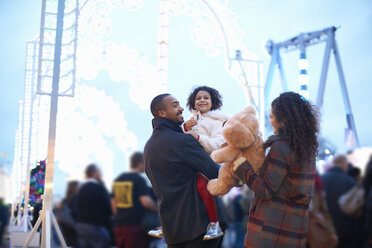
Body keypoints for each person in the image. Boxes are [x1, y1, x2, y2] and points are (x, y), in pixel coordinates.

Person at [233, 91, 319, 247]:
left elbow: (266, 190)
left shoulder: (281, 147)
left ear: (283, 120)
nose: (271, 121)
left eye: (272, 117)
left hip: (270, 233)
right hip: (293, 232)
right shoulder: (306, 149)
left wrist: (242, 167)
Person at [144, 93, 226, 248]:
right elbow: (213, 171)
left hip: (172, 229)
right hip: (200, 226)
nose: (181, 108)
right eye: (175, 105)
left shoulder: (148, 147)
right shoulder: (181, 140)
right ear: (161, 113)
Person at [111, 152, 158, 248]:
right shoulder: (138, 179)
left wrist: (120, 216)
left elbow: (113, 202)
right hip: (135, 226)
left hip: (119, 225)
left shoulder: (119, 179)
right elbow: (146, 202)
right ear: (140, 163)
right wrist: (158, 209)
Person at [321, 154, 357, 248]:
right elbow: (355, 209)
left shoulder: (321, 179)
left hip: (325, 228)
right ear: (344, 164)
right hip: (345, 230)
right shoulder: (350, 181)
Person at [76, 164, 112, 248]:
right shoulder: (98, 188)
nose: (101, 174)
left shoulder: (81, 189)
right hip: (96, 227)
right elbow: (108, 207)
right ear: (94, 173)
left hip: (81, 226)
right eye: (99, 172)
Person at [55, 180, 79, 247]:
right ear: (75, 188)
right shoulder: (75, 198)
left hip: (64, 224)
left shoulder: (65, 199)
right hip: (72, 225)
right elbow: (75, 212)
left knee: (68, 244)